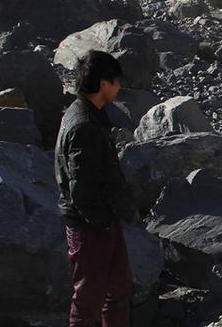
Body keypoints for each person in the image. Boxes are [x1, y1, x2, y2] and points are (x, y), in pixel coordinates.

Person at [55, 50, 134, 327]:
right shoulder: (84, 126)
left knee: (118, 289)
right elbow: (81, 189)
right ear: (103, 84)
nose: (119, 87)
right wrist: (102, 223)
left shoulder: (88, 116)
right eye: (116, 82)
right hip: (90, 227)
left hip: (103, 221)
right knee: (88, 299)